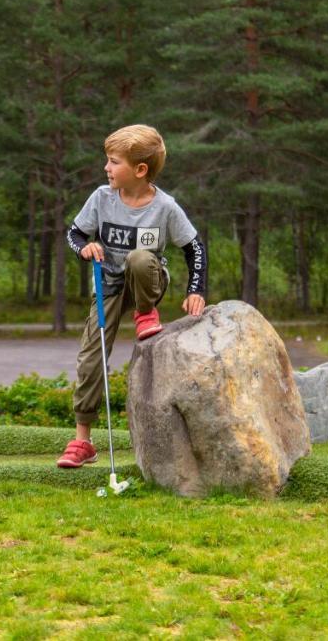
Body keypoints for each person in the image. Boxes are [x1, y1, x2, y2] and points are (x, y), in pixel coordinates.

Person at [56, 124, 208, 469]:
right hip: (107, 282)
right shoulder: (101, 198)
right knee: (90, 358)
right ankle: (82, 441)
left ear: (140, 170)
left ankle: (144, 314)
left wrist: (195, 290)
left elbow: (195, 247)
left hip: (146, 282)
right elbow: (74, 233)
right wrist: (85, 247)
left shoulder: (165, 207)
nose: (106, 169)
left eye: (113, 162)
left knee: (139, 257)